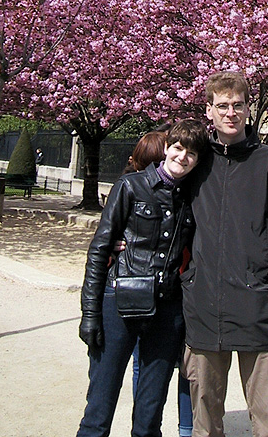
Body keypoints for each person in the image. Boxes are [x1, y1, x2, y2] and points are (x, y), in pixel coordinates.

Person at [181, 71, 268, 437]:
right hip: (206, 309)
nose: (230, 113)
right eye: (222, 106)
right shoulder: (196, 162)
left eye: (237, 105)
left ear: (248, 110)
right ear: (208, 110)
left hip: (259, 309)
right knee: (205, 425)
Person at [77, 119, 208, 437]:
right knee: (99, 406)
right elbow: (99, 252)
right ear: (167, 148)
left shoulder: (193, 198)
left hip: (166, 309)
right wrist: (90, 315)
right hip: (120, 302)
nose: (183, 157)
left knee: (150, 414)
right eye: (178, 148)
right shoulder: (131, 187)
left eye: (191, 153)